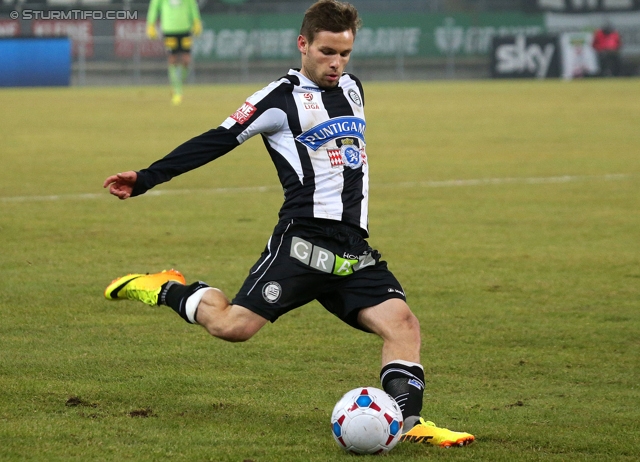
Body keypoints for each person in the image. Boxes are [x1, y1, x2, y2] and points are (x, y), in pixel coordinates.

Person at [104, 0, 474, 448]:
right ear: (303, 45)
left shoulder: (354, 89)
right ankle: (166, 286)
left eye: (344, 54)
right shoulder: (278, 99)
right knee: (232, 328)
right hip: (303, 242)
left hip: (352, 249)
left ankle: (411, 424)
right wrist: (145, 178)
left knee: (404, 325)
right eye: (326, 52)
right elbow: (217, 140)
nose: (336, 64)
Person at [146, 0, 203, 105]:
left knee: (186, 60)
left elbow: (192, 6)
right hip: (169, 29)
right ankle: (177, 91)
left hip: (185, 29)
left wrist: (196, 21)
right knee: (173, 59)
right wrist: (151, 24)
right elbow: (154, 7)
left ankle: (178, 83)